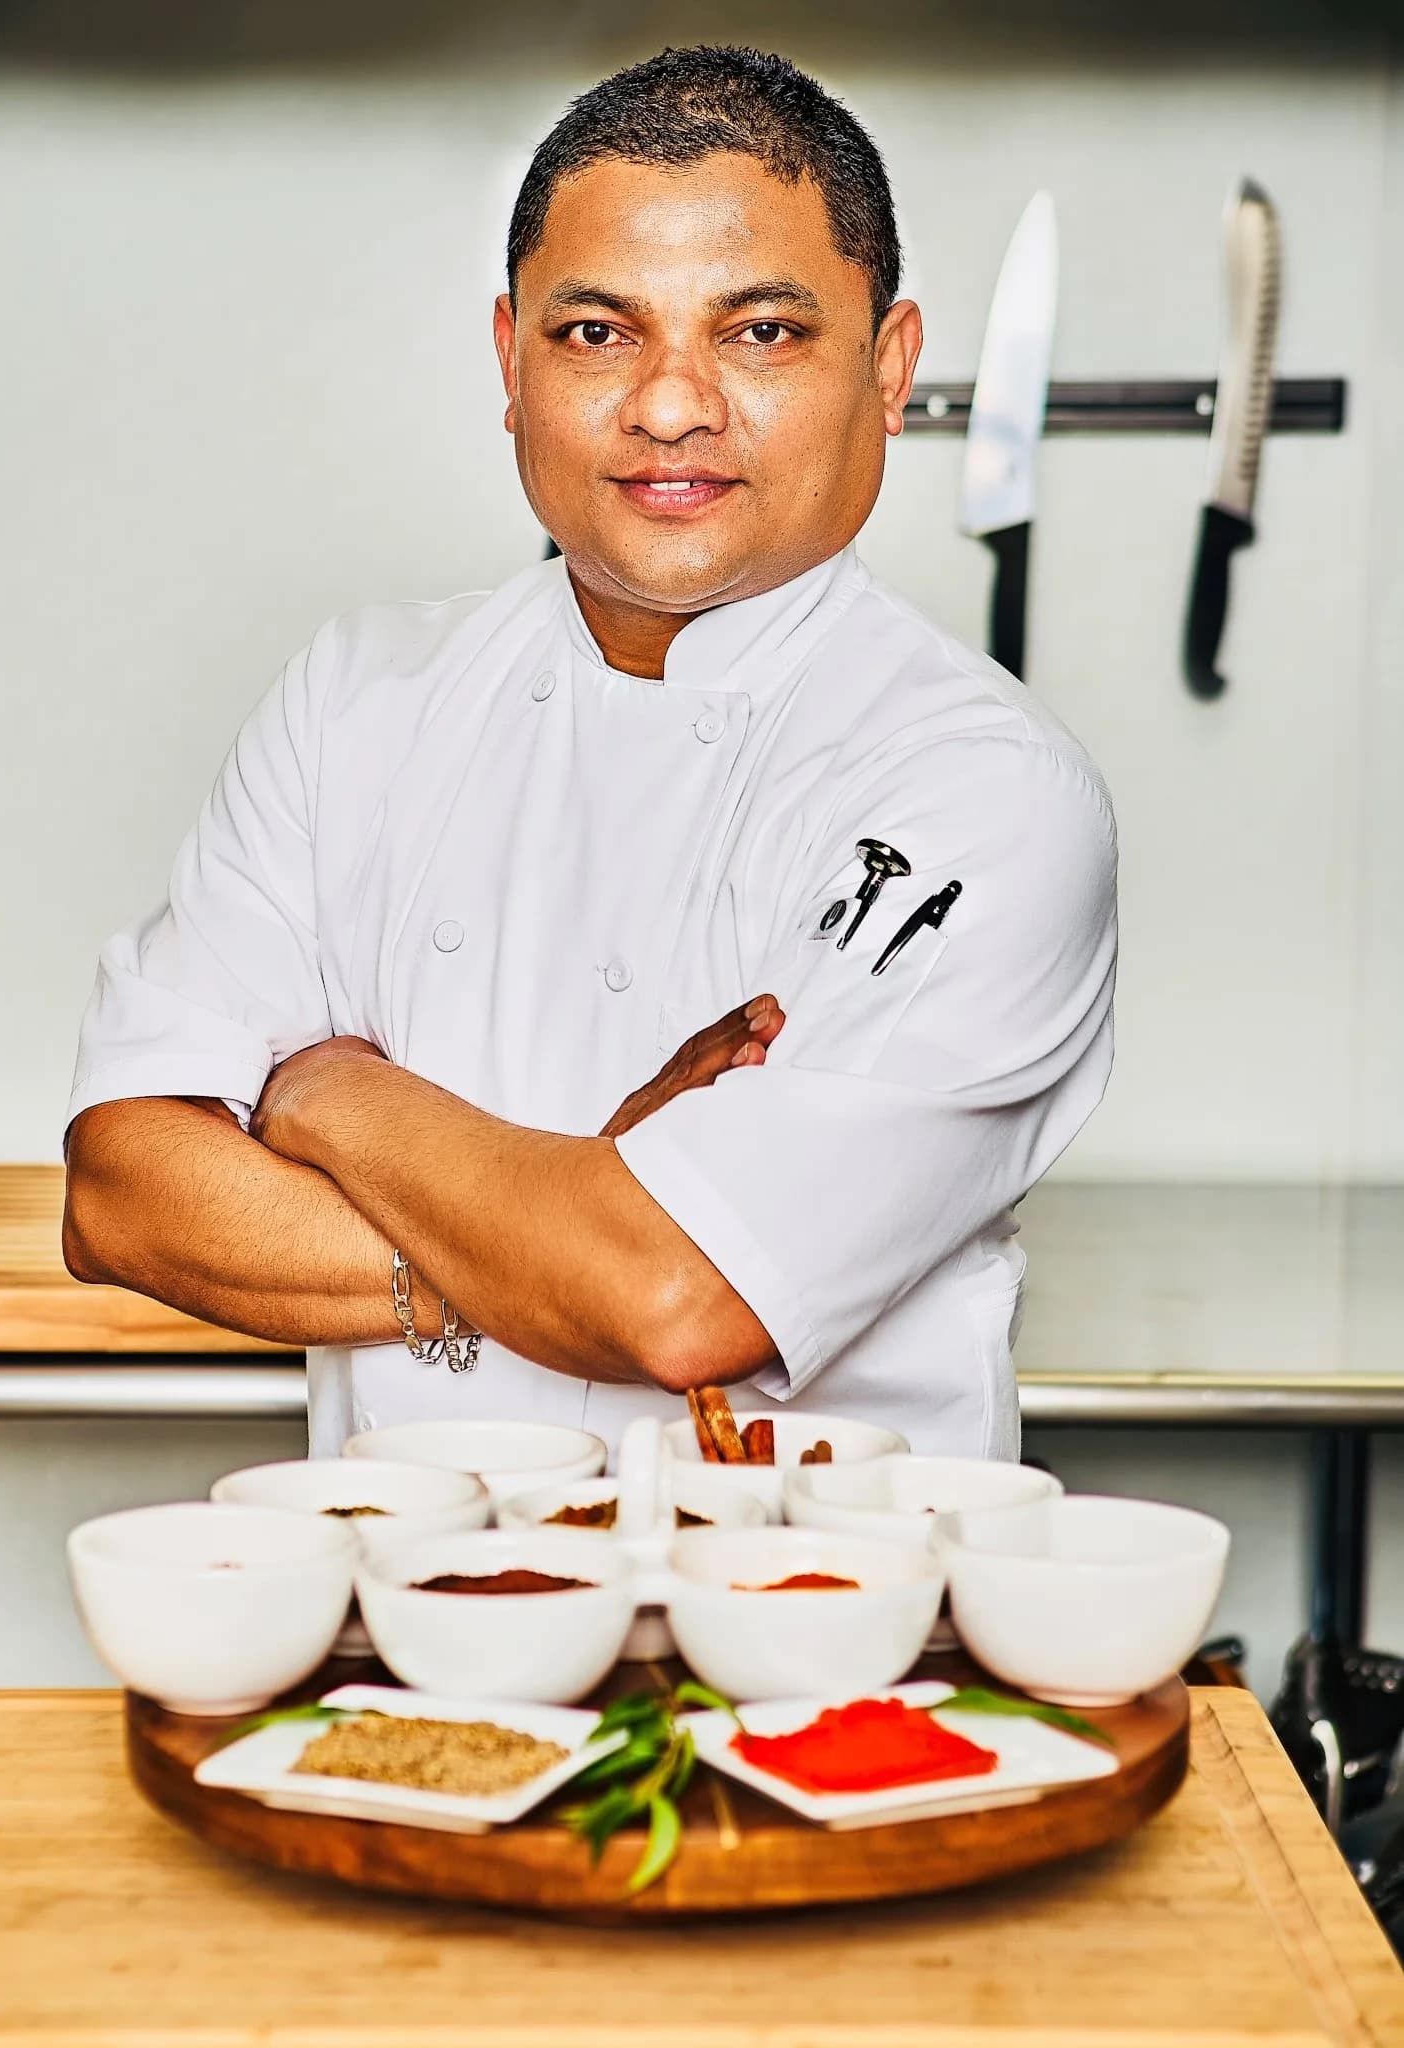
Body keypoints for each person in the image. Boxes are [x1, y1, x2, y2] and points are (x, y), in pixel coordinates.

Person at [62, 45, 1116, 1463]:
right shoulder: (358, 699)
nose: (671, 406)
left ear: (890, 367)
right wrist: (563, 1224)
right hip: (404, 1584)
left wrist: (324, 1090)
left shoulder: (985, 791)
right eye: (598, 333)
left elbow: (676, 1295)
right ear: (511, 362)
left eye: (761, 332)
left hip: (813, 1593)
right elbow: (124, 1192)